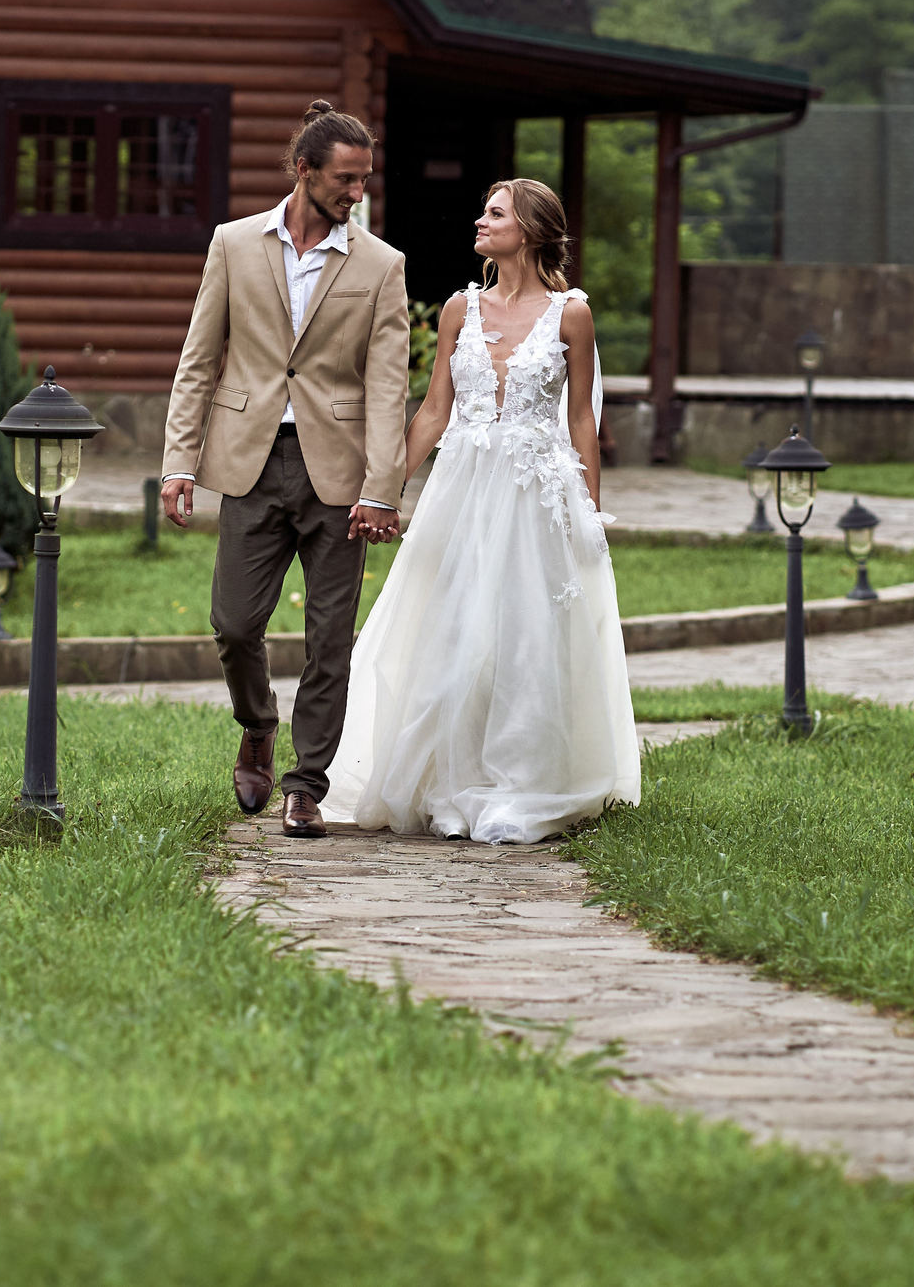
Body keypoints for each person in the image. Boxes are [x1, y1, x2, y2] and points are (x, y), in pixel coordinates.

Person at [323, 177, 638, 844]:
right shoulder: (460, 309)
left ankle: (523, 781)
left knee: (525, 642)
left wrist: (589, 513)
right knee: (452, 631)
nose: (480, 220)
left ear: (527, 228)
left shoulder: (570, 314)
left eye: (494, 213)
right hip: (462, 491)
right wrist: (385, 489)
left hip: (533, 495)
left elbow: (581, 420)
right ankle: (445, 779)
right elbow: (434, 410)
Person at [159, 101, 411, 838]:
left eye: (363, 180)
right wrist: (179, 462)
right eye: (344, 178)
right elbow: (198, 360)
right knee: (235, 624)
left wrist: (382, 487)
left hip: (340, 475)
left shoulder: (382, 264)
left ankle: (306, 785)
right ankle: (258, 725)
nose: (355, 193)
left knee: (331, 639)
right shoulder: (233, 244)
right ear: (303, 171)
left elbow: (389, 385)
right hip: (250, 461)